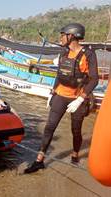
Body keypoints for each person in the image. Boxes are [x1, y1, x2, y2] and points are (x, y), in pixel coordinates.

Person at [24, 23, 99, 174]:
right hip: (60, 95)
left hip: (78, 98)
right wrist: (52, 93)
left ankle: (75, 154)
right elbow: (60, 74)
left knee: (75, 130)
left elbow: (94, 79)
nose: (60, 37)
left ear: (71, 36)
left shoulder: (88, 54)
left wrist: (80, 99)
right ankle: (39, 160)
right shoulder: (63, 53)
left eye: (63, 34)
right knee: (49, 127)